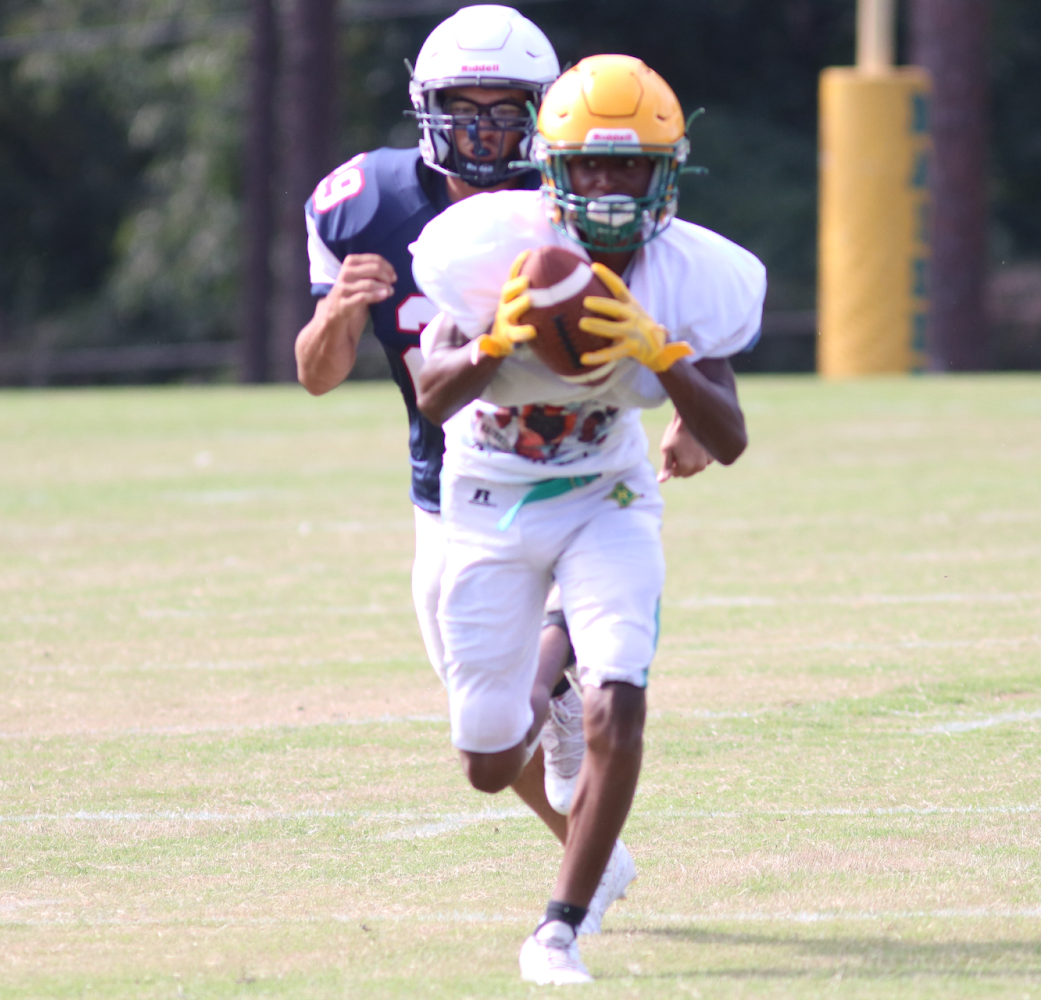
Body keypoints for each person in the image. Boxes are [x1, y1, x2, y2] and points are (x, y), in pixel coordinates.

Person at [292, 6, 711, 931]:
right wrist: (336, 314)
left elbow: (671, 294)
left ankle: (563, 712)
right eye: (463, 108)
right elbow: (316, 376)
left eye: (503, 108)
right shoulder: (362, 202)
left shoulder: (571, 189)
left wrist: (688, 405)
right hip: (451, 482)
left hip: (583, 464)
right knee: (478, 722)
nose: (483, 129)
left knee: (555, 678)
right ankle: (588, 845)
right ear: (425, 107)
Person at [411, 54, 765, 984]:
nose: (609, 186)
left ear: (666, 173)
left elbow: (729, 437)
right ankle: (552, 660)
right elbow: (433, 397)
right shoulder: (487, 245)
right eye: (592, 165)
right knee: (489, 759)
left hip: (606, 493)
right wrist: (495, 342)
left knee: (621, 699)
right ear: (553, 168)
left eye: (630, 166)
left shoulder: (694, 274)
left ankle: (557, 929)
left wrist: (665, 356)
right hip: (487, 495)